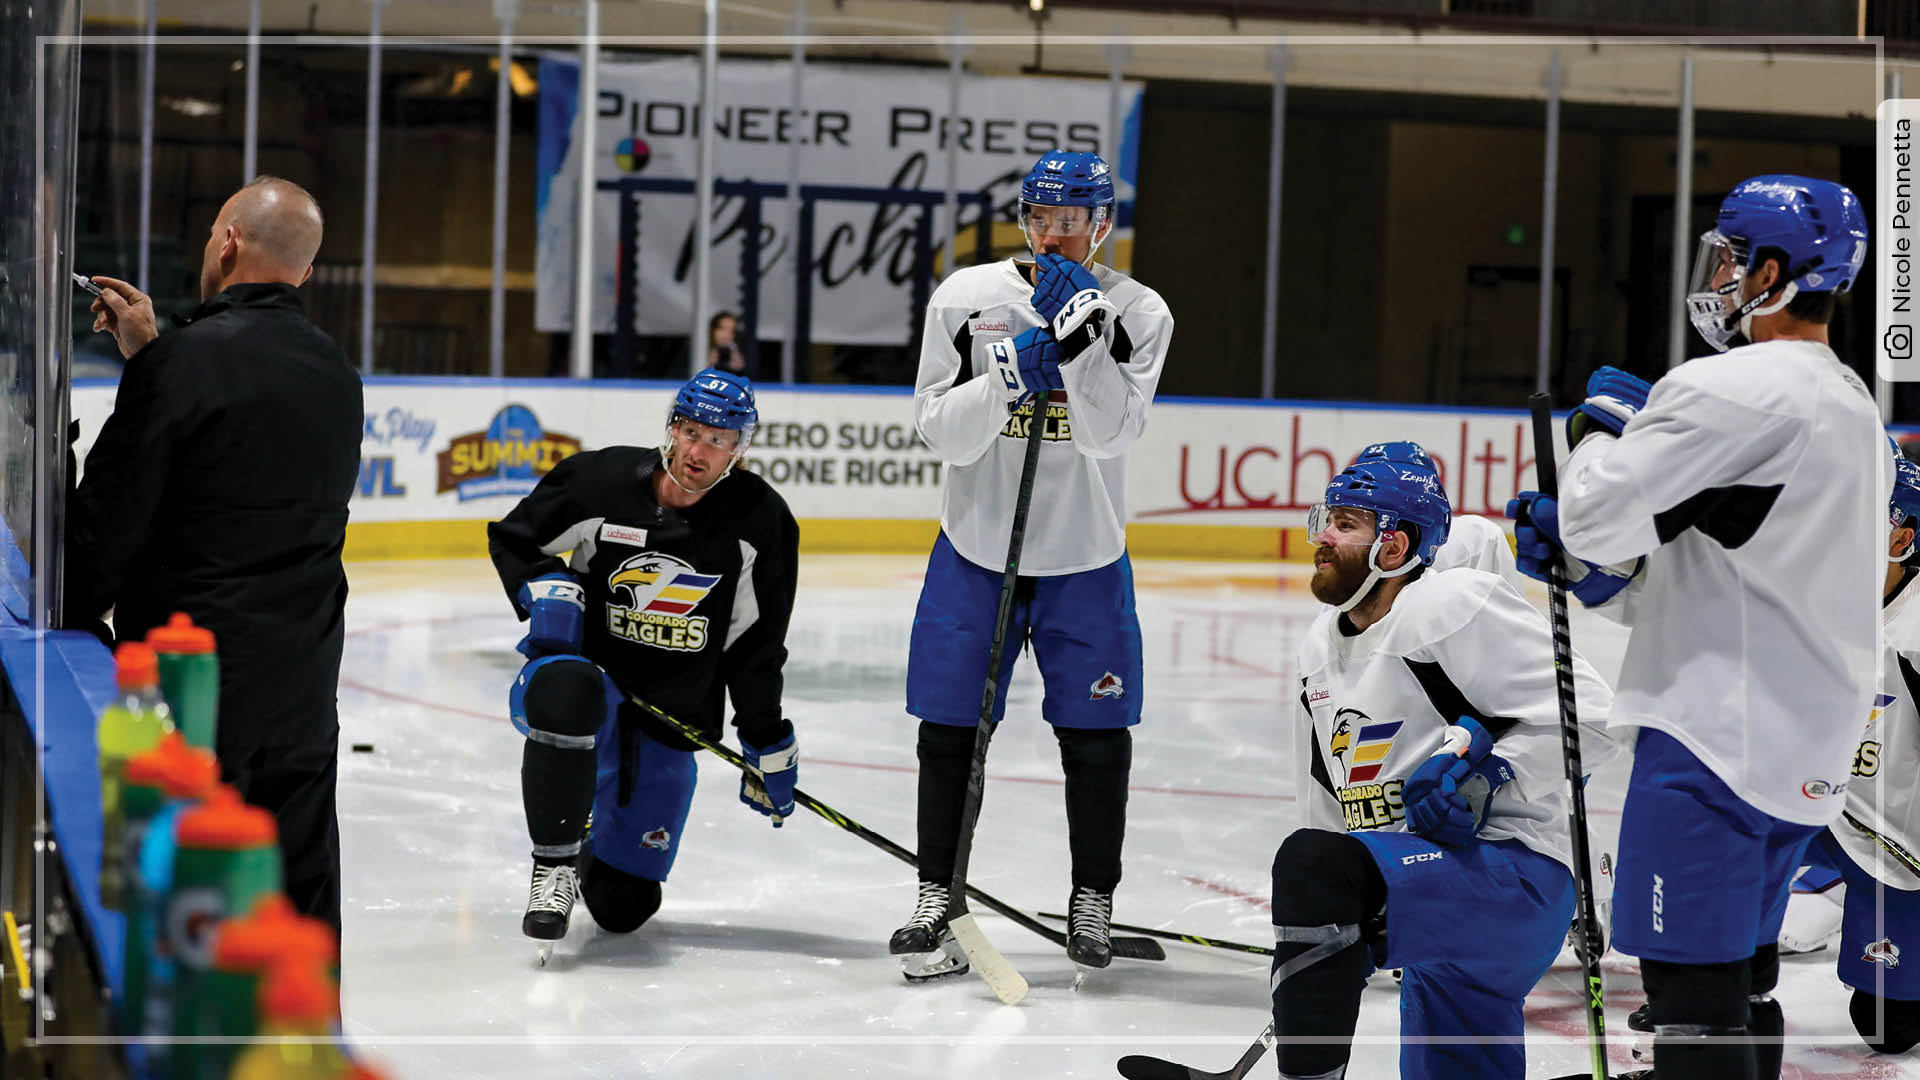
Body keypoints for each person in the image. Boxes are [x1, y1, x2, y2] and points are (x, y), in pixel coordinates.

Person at [1511, 174, 1883, 1078]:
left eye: (1728, 258)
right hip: (1803, 748)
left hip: (1713, 744)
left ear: (1770, 271)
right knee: (1743, 978)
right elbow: (1751, 568)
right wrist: (1614, 589)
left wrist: (1600, 433)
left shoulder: (1735, 386)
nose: (1717, 277)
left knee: (1692, 999)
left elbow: (1593, 515)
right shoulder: (1854, 409)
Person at [892, 148, 1173, 977]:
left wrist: (1084, 341)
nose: (1057, 235)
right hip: (976, 551)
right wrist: (1014, 370)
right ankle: (936, 899)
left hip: (1085, 557)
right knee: (949, 731)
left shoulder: (1141, 311)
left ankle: (1094, 898)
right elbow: (936, 428)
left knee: (1095, 741)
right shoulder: (966, 298)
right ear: (1025, 219)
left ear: (1103, 224)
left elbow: (1111, 435)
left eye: (1074, 220)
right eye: (1045, 218)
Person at [64, 176, 361, 936]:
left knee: (184, 911)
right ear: (304, 268)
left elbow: (101, 537)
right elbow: (241, 447)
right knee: (295, 898)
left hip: (191, 688)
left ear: (227, 243)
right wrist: (155, 356)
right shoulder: (337, 374)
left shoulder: (186, 366)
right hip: (300, 686)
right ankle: (305, 1048)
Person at [1273, 441, 1614, 1080]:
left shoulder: (1444, 604)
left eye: (1345, 524)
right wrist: (1318, 942)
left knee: (1311, 864)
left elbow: (1591, 715)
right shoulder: (1317, 649)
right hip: (1431, 893)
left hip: (1515, 874)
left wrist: (1490, 777)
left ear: (1394, 547)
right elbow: (1324, 810)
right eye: (1326, 519)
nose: (1323, 537)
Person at [488, 369, 800, 946]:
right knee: (568, 692)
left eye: (718, 440)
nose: (697, 451)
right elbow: (514, 538)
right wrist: (547, 587)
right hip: (587, 686)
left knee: (622, 905)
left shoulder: (760, 521)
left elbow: (756, 642)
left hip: (669, 713)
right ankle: (553, 865)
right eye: (690, 431)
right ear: (671, 428)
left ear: (741, 449)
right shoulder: (597, 483)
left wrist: (765, 737)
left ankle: (586, 846)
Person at [1772, 445, 1920, 1056]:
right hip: (1814, 805)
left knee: (1888, 1025)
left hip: (1896, 846)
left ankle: (1836, 890)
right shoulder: (1823, 601)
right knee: (1713, 844)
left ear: (1904, 537)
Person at [708, 312, 751, 379]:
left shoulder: (736, 350)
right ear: (712, 329)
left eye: (731, 331)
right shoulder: (698, 349)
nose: (726, 335)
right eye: (722, 328)